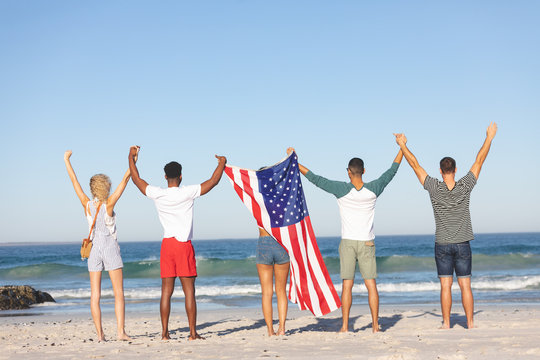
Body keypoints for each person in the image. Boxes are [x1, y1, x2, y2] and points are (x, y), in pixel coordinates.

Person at [394, 122, 497, 329]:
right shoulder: (465, 186)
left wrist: (403, 145)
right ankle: (470, 323)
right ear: (455, 170)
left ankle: (447, 324)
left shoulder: (433, 187)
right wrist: (489, 137)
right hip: (462, 244)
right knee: (466, 285)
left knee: (445, 286)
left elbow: (415, 165)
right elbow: (480, 160)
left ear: (440, 171)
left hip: (442, 244)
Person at [288, 147, 403, 333]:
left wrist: (294, 161)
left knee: (347, 285)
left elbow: (316, 179)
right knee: (371, 285)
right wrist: (401, 148)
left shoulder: (341, 189)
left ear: (348, 172)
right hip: (367, 243)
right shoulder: (373, 189)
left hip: (348, 243)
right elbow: (392, 171)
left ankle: (344, 326)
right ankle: (375, 326)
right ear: (364, 171)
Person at [128, 146, 226, 340]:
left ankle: (164, 334)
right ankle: (192, 333)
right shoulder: (188, 192)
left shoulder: (158, 194)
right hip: (183, 245)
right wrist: (222, 162)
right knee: (189, 291)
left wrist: (130, 157)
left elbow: (136, 179)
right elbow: (213, 181)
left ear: (165, 177)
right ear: (181, 177)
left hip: (167, 245)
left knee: (166, 291)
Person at [64, 150, 132, 342]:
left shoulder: (87, 204)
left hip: (94, 249)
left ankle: (100, 335)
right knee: (119, 293)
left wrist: (66, 160)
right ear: (106, 188)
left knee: (95, 295)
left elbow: (74, 181)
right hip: (109, 247)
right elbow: (125, 180)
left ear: (93, 189)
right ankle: (120, 332)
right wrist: (133, 160)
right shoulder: (109, 204)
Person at [256, 227, 290, 336]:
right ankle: (282, 328)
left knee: (266, 293)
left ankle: (270, 330)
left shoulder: (259, 208)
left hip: (264, 242)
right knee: (281, 291)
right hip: (281, 242)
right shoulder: (284, 208)